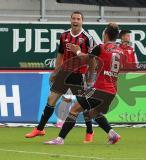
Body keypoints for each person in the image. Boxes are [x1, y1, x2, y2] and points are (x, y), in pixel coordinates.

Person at [25, 11, 111, 143]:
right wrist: (56, 71)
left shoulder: (87, 37)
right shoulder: (64, 35)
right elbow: (60, 55)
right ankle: (40, 129)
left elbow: (92, 59)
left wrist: (90, 77)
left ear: (82, 21)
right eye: (74, 18)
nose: (75, 21)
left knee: (83, 105)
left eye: (78, 19)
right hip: (64, 74)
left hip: (79, 75)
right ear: (70, 20)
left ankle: (89, 131)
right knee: (51, 99)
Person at [44, 22, 122, 145]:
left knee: (74, 110)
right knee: (91, 112)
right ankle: (112, 134)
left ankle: (60, 139)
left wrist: (78, 51)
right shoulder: (120, 51)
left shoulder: (101, 47)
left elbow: (86, 59)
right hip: (111, 91)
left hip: (101, 89)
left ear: (106, 35)